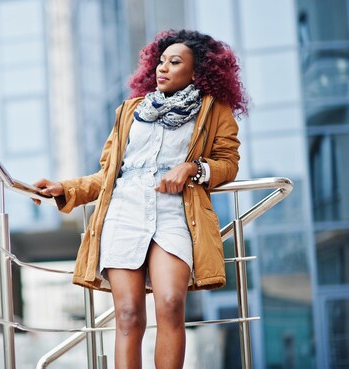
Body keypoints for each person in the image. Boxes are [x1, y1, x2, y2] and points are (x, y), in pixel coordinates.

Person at [33, 29, 248, 369]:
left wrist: (192, 168)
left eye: (174, 62)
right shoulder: (130, 111)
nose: (163, 68)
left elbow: (228, 163)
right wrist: (65, 188)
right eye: (161, 61)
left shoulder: (214, 110)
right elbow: (108, 175)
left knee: (170, 302)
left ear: (197, 73)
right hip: (124, 212)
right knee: (129, 313)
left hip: (176, 213)